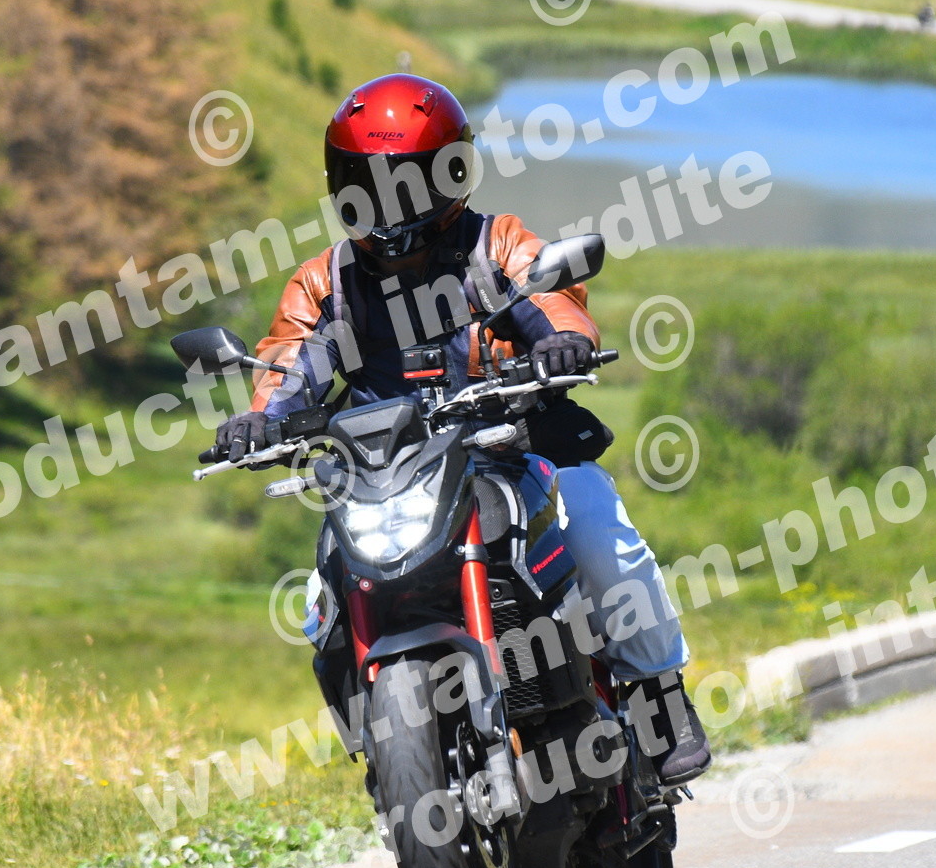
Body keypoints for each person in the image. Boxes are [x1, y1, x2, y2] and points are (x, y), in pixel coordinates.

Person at [213, 74, 710, 785]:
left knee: (600, 532)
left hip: (510, 452)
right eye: (367, 183)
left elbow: (551, 296)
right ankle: (387, 751)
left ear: (449, 175)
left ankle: (660, 693)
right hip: (387, 479)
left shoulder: (493, 247)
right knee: (319, 602)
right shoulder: (329, 283)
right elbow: (292, 362)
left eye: (406, 183)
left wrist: (562, 343)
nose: (387, 204)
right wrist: (260, 421)